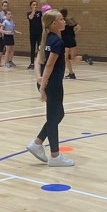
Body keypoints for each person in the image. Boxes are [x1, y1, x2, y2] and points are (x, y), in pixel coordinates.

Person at [25, 9, 74, 167]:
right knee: (54, 117)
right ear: (54, 23)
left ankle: (38, 143)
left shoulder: (46, 39)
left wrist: (38, 79)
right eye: (61, 19)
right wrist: (43, 86)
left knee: (57, 115)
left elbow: (38, 62)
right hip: (51, 84)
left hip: (46, 82)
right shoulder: (57, 42)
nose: (64, 21)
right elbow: (49, 66)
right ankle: (54, 156)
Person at [59, 7, 81, 79]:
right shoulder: (71, 20)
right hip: (72, 40)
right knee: (73, 57)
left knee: (65, 58)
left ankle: (71, 73)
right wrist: (73, 33)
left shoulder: (61, 21)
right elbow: (79, 27)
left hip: (65, 41)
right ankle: (84, 57)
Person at [27, 0, 43, 70]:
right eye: (33, 5)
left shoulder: (39, 13)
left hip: (39, 33)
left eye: (36, 5)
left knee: (39, 48)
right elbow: (30, 17)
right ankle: (32, 63)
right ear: (30, 6)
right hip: (32, 34)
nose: (35, 6)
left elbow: (43, 19)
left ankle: (40, 62)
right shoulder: (29, 13)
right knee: (32, 48)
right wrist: (33, 10)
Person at [0, 0, 9, 65]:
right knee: (1, 47)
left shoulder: (8, 14)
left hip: (8, 33)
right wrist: (3, 25)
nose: (5, 7)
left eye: (6, 6)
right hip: (1, 33)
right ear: (2, 6)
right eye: (4, 6)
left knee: (8, 48)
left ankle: (7, 61)